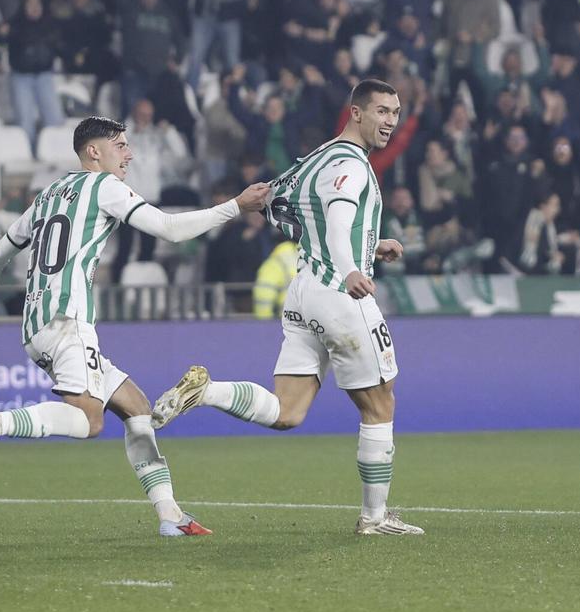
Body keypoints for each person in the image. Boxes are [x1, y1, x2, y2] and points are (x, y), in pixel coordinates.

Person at [0, 116, 270, 536]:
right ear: (94, 152)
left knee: (136, 407)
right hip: (68, 322)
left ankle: (170, 516)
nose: (129, 154)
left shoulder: (48, 193)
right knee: (89, 422)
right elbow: (169, 230)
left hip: (37, 324)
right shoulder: (103, 187)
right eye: (120, 145)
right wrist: (235, 206)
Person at [151, 79, 424, 536]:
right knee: (380, 404)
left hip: (303, 293)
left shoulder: (313, 160)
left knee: (287, 411)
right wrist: (351, 269)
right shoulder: (351, 166)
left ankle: (208, 392)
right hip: (340, 294)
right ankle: (374, 518)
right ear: (355, 113)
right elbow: (337, 222)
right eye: (381, 111)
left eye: (395, 112)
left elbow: (280, 205)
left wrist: (370, 247)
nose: (390, 121)